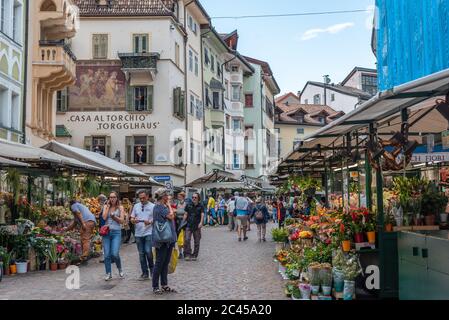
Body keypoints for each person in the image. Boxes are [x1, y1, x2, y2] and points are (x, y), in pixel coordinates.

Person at [152, 188, 177, 295]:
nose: (169, 197)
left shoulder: (162, 207)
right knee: (159, 263)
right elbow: (171, 216)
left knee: (165, 262)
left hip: (168, 239)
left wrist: (168, 206)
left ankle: (164, 284)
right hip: (162, 239)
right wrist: (170, 205)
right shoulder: (159, 207)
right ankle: (155, 286)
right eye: (167, 195)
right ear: (163, 197)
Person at [130, 189, 155, 281]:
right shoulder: (136, 206)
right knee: (141, 254)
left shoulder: (153, 206)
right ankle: (144, 273)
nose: (142, 200)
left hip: (149, 232)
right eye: (140, 198)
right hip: (138, 233)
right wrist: (133, 220)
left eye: (143, 198)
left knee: (148, 252)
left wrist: (150, 222)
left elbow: (156, 219)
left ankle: (152, 270)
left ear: (148, 197)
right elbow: (132, 217)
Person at [101, 191, 126, 281]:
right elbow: (104, 217)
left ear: (117, 198)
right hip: (106, 233)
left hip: (116, 232)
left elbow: (122, 221)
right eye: (110, 197)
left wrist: (114, 217)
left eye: (114, 197)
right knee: (107, 255)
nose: (112, 199)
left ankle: (120, 269)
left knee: (114, 254)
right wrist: (107, 207)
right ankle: (108, 273)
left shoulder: (120, 207)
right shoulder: (105, 206)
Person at [64, 199, 97, 265]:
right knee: (83, 239)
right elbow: (74, 223)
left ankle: (83, 257)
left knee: (85, 239)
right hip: (91, 221)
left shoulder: (74, 205)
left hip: (87, 222)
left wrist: (83, 223)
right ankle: (83, 258)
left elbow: (78, 213)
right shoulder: (80, 207)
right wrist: (65, 230)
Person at [183, 192, 204, 261]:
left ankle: (195, 255)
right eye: (193, 197)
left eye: (195, 197)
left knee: (197, 241)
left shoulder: (201, 206)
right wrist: (183, 221)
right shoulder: (188, 205)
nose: (194, 199)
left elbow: (202, 215)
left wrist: (201, 222)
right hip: (189, 225)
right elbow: (185, 214)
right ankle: (188, 254)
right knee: (187, 239)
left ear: (198, 199)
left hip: (197, 225)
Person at [175, 192, 188, 259]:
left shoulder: (186, 204)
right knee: (178, 238)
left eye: (179, 196)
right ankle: (180, 252)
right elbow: (175, 212)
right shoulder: (177, 204)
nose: (178, 197)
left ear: (183, 197)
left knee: (185, 238)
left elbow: (187, 213)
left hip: (184, 223)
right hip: (178, 222)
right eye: (178, 196)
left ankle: (185, 252)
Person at [97, 194, 108, 263]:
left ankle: (106, 258)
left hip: (105, 227)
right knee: (105, 242)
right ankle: (108, 257)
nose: (98, 202)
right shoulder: (105, 205)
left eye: (99, 201)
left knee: (105, 242)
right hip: (104, 226)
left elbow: (104, 216)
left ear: (101, 200)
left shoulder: (105, 206)